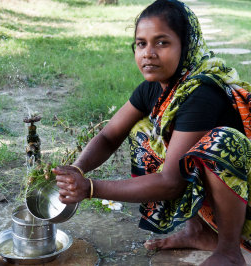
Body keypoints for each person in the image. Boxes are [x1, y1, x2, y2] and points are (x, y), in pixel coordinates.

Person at [53, 0, 251, 265]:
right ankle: (200, 232)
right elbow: (109, 136)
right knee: (145, 132)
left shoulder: (201, 93)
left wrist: (91, 188)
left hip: (244, 198)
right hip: (219, 194)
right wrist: (77, 169)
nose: (148, 53)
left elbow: (171, 182)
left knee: (221, 142)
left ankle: (229, 250)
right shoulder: (155, 87)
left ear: (186, 46)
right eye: (141, 43)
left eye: (162, 43)